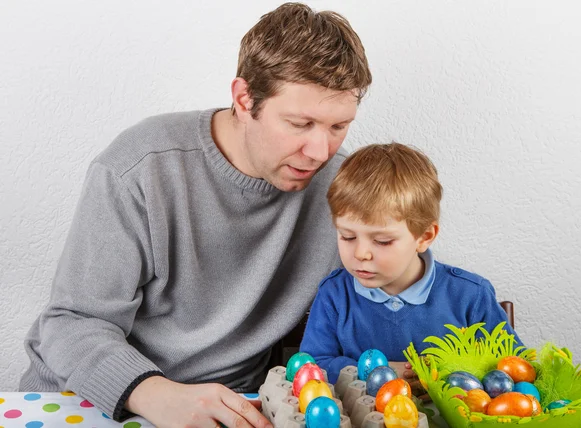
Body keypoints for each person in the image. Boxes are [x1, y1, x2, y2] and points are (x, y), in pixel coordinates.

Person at [19, 3, 371, 427]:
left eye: (339, 127)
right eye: (300, 123)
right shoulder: (140, 168)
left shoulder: (343, 186)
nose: (320, 152)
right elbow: (71, 324)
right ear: (244, 99)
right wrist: (156, 395)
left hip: (232, 408)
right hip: (90, 400)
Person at [299, 143, 523, 395]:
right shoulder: (335, 294)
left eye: (382, 241)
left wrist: (448, 370)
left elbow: (515, 370)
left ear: (424, 236)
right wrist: (380, 372)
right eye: (347, 236)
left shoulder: (470, 296)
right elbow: (310, 366)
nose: (361, 253)